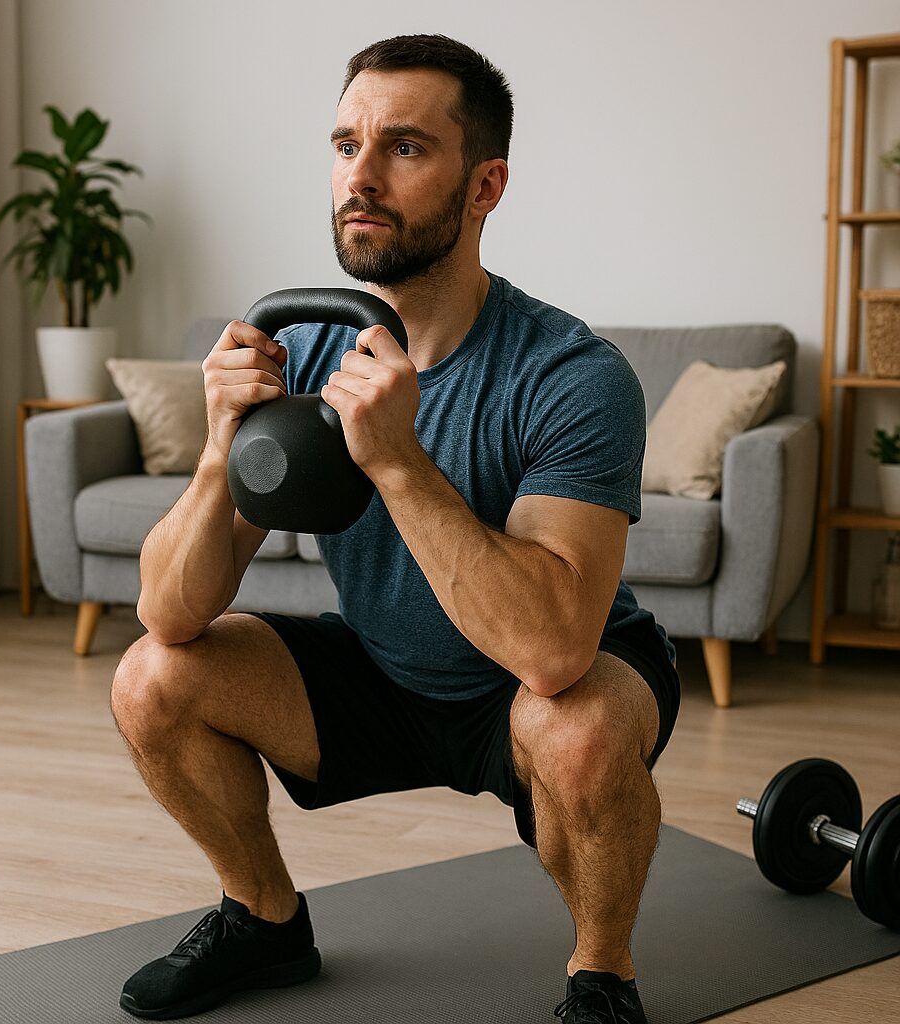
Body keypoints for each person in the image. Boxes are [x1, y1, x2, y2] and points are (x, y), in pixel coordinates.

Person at [112, 33, 679, 1024]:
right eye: (344, 146)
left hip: (538, 678)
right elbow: (169, 608)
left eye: (405, 149)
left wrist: (396, 460)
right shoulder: (305, 345)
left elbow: (551, 649)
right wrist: (217, 449)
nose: (360, 178)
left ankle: (603, 976)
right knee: (151, 676)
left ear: (484, 185)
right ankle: (264, 921)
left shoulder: (572, 377)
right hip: (383, 667)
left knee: (578, 727)